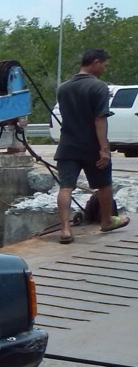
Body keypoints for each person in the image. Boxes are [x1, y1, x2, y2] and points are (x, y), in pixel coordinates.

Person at [55, 48, 129, 243]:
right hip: (92, 147)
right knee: (104, 185)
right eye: (104, 64)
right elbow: (100, 120)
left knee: (65, 187)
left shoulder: (63, 88)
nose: (104, 68)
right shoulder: (98, 87)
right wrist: (104, 149)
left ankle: (65, 230)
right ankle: (106, 221)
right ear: (96, 62)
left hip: (67, 145)